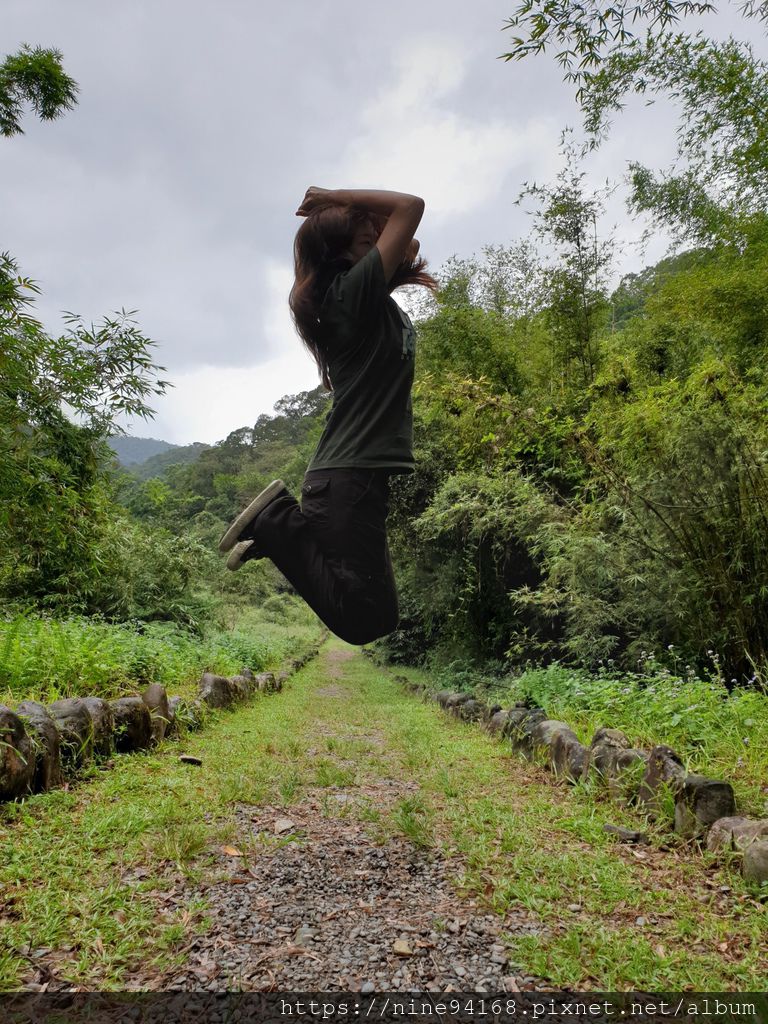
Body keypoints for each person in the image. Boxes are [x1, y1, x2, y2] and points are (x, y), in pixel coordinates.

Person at [218, 187, 437, 645]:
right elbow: (410, 209)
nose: (380, 243)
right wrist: (334, 197)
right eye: (365, 242)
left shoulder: (368, 296)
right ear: (337, 257)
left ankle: (284, 537)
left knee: (383, 617)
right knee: (362, 623)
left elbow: (408, 241)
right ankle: (276, 525)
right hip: (346, 479)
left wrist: (358, 221)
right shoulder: (350, 297)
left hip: (360, 480)